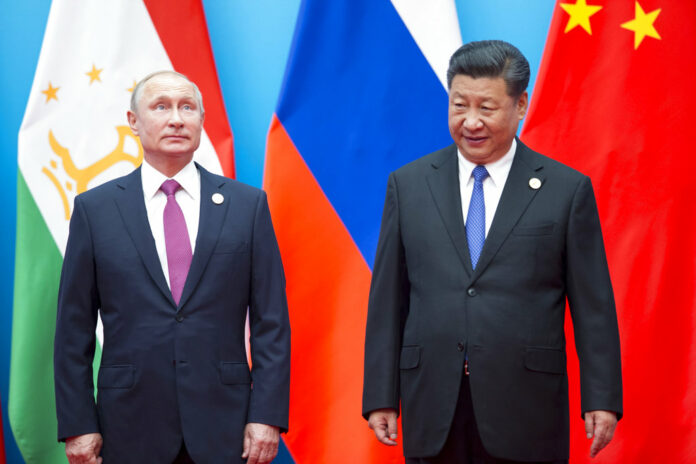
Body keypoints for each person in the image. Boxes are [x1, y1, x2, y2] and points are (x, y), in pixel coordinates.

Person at [362, 40, 622, 463]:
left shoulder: (565, 190)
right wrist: (380, 395)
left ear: (520, 105)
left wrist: (602, 397)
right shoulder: (408, 186)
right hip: (434, 404)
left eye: (486, 108)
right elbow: (388, 300)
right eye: (459, 105)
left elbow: (594, 306)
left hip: (527, 408)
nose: (470, 122)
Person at [54, 70, 290, 464]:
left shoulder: (247, 207)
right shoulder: (95, 210)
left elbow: (272, 323)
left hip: (226, 426)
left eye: (187, 108)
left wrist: (266, 416)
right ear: (133, 121)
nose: (177, 118)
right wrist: (78, 423)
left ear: (201, 119)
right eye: (161, 107)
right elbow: (72, 328)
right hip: (128, 424)